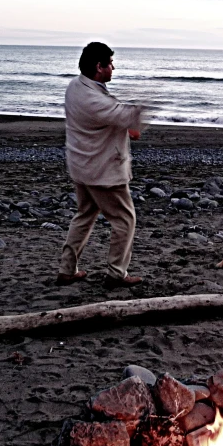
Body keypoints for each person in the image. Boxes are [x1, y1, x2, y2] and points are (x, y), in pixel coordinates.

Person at [56, 41, 146, 289]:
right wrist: (145, 106)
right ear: (99, 66)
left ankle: (66, 270)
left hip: (81, 165)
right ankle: (117, 274)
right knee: (124, 220)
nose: (113, 68)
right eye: (110, 64)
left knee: (85, 215)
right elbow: (128, 119)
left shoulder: (75, 86)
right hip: (102, 170)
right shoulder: (95, 99)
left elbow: (115, 117)